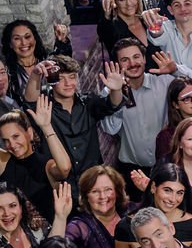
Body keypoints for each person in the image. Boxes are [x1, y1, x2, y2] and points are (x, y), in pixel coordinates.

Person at [101, 39, 192, 193]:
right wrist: (118, 94)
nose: (132, 63)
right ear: (117, 64)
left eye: (136, 57)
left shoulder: (163, 82)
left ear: (144, 58)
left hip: (167, 166)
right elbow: (110, 129)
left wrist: (175, 70)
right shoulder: (110, 92)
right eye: (124, 60)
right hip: (132, 170)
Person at [23, 55, 125, 192]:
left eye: (72, 77)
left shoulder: (88, 103)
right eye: (61, 78)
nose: (68, 83)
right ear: (51, 80)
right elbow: (30, 101)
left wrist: (116, 90)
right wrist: (35, 74)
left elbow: (113, 104)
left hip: (93, 183)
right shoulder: (44, 109)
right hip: (63, 187)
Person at [115, 164, 192, 248]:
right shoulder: (126, 226)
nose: (173, 199)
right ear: (153, 187)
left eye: (179, 193)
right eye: (167, 190)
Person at [0, 101, 72, 220]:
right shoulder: (4, 161)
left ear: (29, 133)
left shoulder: (45, 165)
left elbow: (64, 168)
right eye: (6, 140)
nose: (12, 144)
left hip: (53, 232)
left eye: (16, 136)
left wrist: (46, 127)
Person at [65, 166, 128, 248]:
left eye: (108, 189)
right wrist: (60, 217)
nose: (102, 196)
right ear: (86, 197)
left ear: (117, 191)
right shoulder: (79, 226)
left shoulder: (131, 214)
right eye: (95, 191)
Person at [0, 183, 71, 248]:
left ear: (21, 207)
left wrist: (60, 217)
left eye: (12, 206)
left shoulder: (35, 224)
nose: (7, 213)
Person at [1, 20, 72, 105]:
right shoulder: (8, 72)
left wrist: (62, 41)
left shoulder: (48, 61)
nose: (24, 43)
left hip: (59, 112)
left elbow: (66, 64)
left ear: (35, 39)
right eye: (17, 38)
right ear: (10, 44)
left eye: (27, 37)